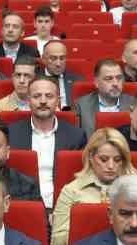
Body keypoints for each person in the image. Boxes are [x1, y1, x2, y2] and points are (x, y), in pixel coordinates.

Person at [51, 127, 137, 245]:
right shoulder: (72, 191)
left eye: (117, 160)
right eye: (104, 159)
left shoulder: (136, 190)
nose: (111, 166)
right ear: (91, 157)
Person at [7, 76, 87, 208]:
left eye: (49, 96)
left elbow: (81, 179)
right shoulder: (11, 134)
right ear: (28, 100)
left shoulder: (76, 136)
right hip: (22, 205)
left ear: (58, 100)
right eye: (37, 96)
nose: (43, 101)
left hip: (64, 206)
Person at [74, 58, 136, 135]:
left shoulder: (134, 103)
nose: (115, 83)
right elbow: (77, 138)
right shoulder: (81, 105)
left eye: (119, 78)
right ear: (96, 82)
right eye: (109, 79)